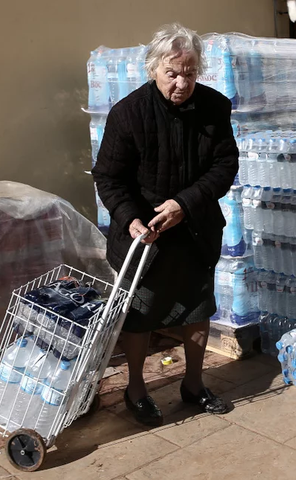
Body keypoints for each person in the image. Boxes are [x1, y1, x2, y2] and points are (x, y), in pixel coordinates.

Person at [92, 23, 239, 426]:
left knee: (196, 307)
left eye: (189, 73)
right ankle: (136, 388)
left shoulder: (214, 107)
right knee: (140, 314)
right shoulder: (128, 113)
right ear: (153, 69)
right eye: (172, 73)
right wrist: (131, 220)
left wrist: (184, 204)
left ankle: (194, 385)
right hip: (144, 237)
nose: (181, 82)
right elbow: (107, 176)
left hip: (193, 228)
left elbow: (225, 165)